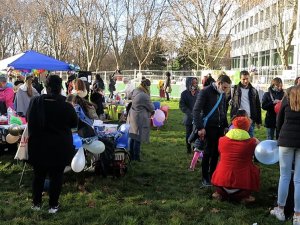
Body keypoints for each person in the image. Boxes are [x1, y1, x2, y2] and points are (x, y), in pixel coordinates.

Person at [27, 75, 78, 213]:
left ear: (46, 87)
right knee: (56, 177)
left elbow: (29, 119)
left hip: (38, 146)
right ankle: (53, 205)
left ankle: (36, 204)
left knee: (38, 176)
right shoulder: (66, 105)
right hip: (59, 147)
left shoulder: (35, 102)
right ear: (60, 87)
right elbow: (75, 123)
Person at [193, 74, 231, 186]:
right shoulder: (205, 92)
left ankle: (213, 174)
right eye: (224, 87)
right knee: (208, 152)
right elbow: (196, 110)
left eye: (227, 88)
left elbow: (223, 111)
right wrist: (200, 127)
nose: (225, 90)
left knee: (216, 153)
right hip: (208, 127)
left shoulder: (222, 94)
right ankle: (205, 178)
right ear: (219, 83)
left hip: (219, 127)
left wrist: (225, 126)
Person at [211, 116, 260, 203]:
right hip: (242, 190)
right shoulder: (252, 143)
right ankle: (244, 197)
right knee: (255, 169)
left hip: (220, 187)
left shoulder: (222, 140)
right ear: (247, 127)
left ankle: (221, 194)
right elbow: (259, 154)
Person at [270, 85, 300, 224]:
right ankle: (297, 215)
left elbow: (279, 119)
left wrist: (279, 134)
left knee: (285, 176)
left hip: (286, 139)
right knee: (299, 180)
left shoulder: (287, 96)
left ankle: (280, 209)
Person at [127, 79, 155, 161]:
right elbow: (151, 107)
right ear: (146, 86)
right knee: (138, 138)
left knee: (132, 136)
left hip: (132, 115)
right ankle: (136, 157)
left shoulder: (135, 90)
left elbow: (129, 96)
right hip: (139, 117)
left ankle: (130, 155)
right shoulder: (144, 95)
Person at [230, 70, 262, 137]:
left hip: (250, 119)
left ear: (249, 78)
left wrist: (259, 121)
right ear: (240, 79)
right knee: (238, 138)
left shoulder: (254, 91)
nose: (245, 81)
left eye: (247, 79)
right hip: (237, 119)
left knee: (249, 139)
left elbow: (258, 106)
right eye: (243, 79)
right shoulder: (234, 89)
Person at [179, 77, 200, 154]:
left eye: (196, 83)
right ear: (189, 83)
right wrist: (189, 113)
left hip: (198, 118)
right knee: (188, 133)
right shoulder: (184, 94)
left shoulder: (199, 92)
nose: (195, 84)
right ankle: (188, 149)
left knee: (197, 134)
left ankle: (195, 149)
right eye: (194, 83)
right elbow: (182, 105)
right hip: (188, 118)